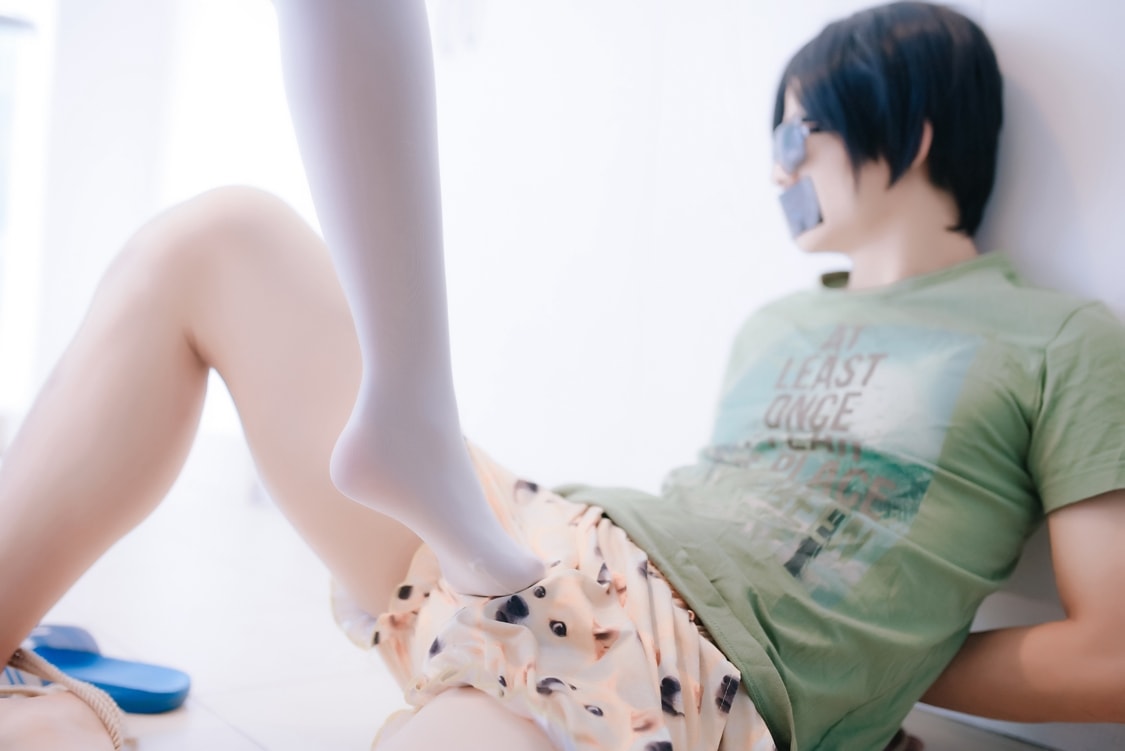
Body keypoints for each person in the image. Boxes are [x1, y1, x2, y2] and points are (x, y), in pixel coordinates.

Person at [3, 1, 1125, 750]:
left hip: (692, 659)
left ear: (912, 132)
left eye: (800, 135)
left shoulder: (1055, 338)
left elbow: (1110, 653)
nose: (777, 171)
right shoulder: (776, 325)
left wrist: (889, 664)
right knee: (216, 240)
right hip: (554, 533)